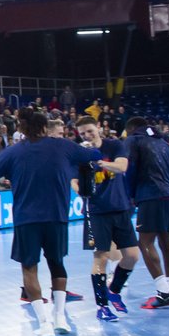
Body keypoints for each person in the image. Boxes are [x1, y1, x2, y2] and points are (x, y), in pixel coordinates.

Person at [0, 108, 101, 336]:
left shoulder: (12, 152)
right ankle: (60, 317)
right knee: (57, 264)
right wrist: (94, 142)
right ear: (45, 127)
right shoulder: (62, 146)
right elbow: (94, 155)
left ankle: (43, 323)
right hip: (57, 217)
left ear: (22, 128)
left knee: (29, 269)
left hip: (26, 219)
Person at [74, 117, 137, 321]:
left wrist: (100, 163)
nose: (87, 136)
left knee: (132, 256)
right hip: (96, 211)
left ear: (98, 128)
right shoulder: (79, 154)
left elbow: (122, 167)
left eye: (90, 131)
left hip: (120, 207)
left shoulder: (114, 145)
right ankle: (102, 307)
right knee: (100, 257)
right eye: (83, 134)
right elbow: (73, 182)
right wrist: (82, 189)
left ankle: (114, 290)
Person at [122, 116, 169, 309]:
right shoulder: (164, 142)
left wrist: (130, 195)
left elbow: (129, 169)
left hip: (150, 194)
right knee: (167, 242)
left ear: (130, 129)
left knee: (144, 242)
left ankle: (163, 291)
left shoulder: (133, 140)